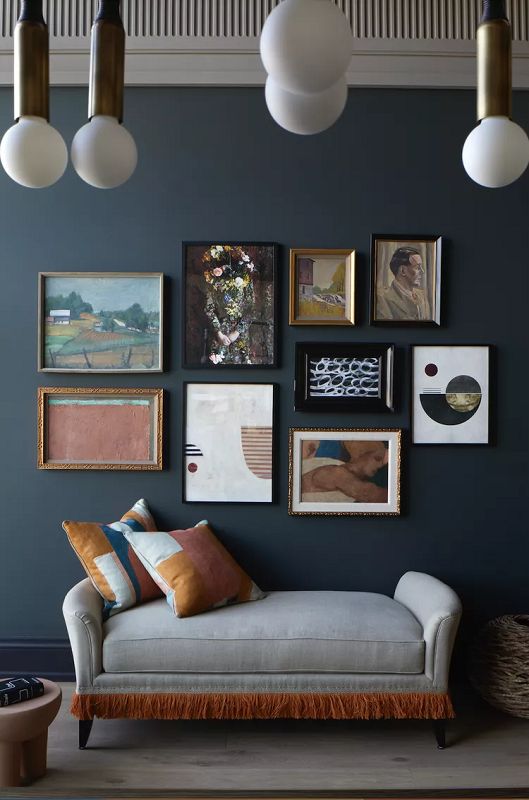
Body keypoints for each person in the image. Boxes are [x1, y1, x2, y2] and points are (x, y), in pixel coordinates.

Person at [301, 440, 388, 503]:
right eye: (377, 458)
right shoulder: (337, 474)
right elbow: (369, 494)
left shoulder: (341, 468)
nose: (381, 465)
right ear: (360, 456)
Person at [376, 246, 430, 321]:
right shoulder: (382, 298)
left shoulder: (422, 296)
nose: (422, 271)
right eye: (417, 267)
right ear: (403, 271)